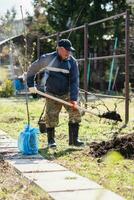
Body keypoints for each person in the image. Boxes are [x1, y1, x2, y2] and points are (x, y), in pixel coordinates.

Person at [27, 38, 84, 148]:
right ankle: (51, 141)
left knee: (75, 113)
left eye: (70, 51)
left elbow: (74, 82)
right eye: (67, 50)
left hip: (67, 92)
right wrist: (31, 86)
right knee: (50, 116)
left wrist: (74, 99)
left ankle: (74, 140)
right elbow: (32, 69)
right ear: (59, 49)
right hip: (51, 93)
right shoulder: (48, 59)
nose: (69, 53)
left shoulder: (72, 62)